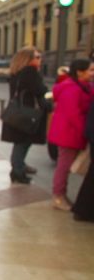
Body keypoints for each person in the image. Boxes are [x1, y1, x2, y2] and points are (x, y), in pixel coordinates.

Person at [48, 59, 94, 211]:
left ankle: (61, 195)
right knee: (64, 166)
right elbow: (73, 115)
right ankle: (58, 196)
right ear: (80, 72)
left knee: (65, 166)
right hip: (68, 133)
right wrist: (87, 132)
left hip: (74, 132)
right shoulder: (71, 89)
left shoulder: (85, 86)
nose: (93, 73)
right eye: (91, 70)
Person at [0, 47, 48, 185]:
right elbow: (40, 90)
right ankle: (17, 172)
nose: (40, 59)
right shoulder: (30, 72)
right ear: (28, 59)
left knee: (20, 142)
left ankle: (19, 166)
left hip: (19, 113)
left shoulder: (17, 71)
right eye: (37, 57)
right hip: (26, 115)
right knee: (23, 142)